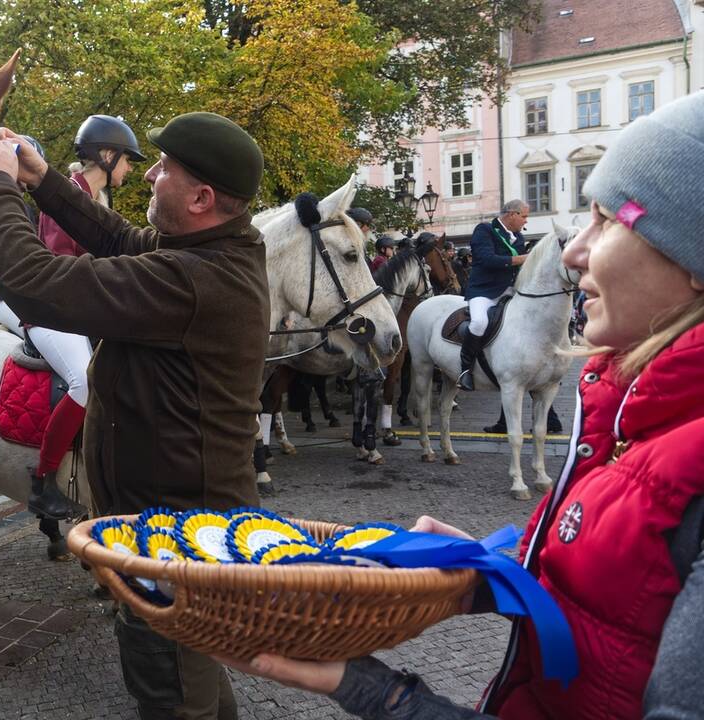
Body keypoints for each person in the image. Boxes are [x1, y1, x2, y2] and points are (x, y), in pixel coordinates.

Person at [217, 89, 704, 719]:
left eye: (607, 222)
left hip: (514, 291)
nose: (578, 249)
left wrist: (385, 696)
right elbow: (609, 591)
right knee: (474, 320)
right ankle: (470, 366)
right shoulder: (491, 236)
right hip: (486, 294)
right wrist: (482, 571)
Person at [0, 111, 268, 719]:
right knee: (198, 676)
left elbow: (31, 281)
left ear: (202, 197)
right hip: (176, 526)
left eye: (165, 169)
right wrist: (42, 178)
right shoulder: (208, 249)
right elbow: (119, 237)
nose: (152, 174)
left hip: (173, 539)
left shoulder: (193, 278)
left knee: (172, 693)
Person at [25, 115, 144, 519]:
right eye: (128, 160)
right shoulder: (70, 196)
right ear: (107, 156)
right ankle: (43, 481)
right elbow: (62, 263)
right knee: (85, 382)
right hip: (51, 313)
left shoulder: (96, 201)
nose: (129, 169)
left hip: (78, 312)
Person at [457, 200, 529, 390]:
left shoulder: (518, 237)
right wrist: (521, 259)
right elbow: (487, 260)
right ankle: (465, 370)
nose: (525, 221)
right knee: (479, 322)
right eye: (524, 216)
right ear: (512, 214)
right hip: (484, 290)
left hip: (511, 290)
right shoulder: (484, 230)